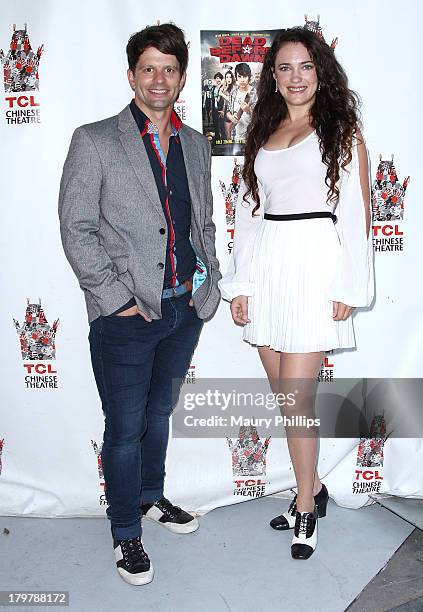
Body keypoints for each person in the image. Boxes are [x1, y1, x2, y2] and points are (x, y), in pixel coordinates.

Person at [58, 23, 221, 585]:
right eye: (148, 68)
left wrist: (209, 283)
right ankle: (126, 530)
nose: (159, 79)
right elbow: (76, 228)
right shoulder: (95, 140)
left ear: (181, 78)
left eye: (170, 69)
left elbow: (201, 220)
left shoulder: (195, 143)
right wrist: (113, 298)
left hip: (183, 309)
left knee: (157, 415)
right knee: (124, 427)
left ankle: (152, 497)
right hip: (125, 319)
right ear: (132, 76)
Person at [219, 27, 374, 560]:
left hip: (313, 264)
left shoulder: (341, 130)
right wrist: (240, 284)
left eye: (305, 66)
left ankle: (306, 503)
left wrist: (350, 285)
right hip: (268, 265)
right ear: (273, 76)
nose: (295, 77)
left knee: (297, 399)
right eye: (284, 68)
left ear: (321, 70)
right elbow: (247, 214)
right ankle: (314, 487)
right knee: (287, 404)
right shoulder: (261, 128)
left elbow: (356, 215)